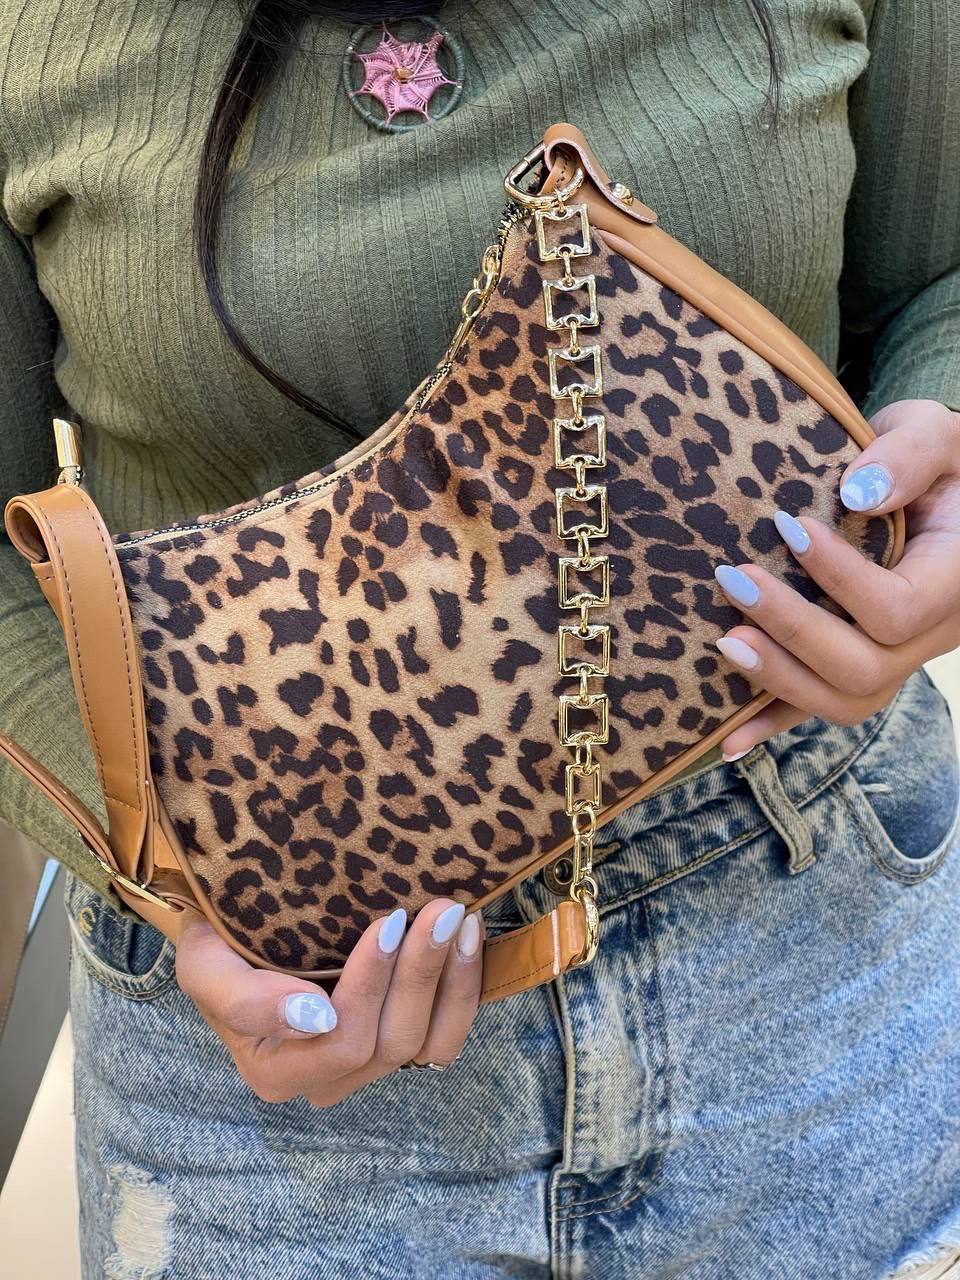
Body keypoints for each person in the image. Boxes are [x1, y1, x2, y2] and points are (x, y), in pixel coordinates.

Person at [1, 2, 959, 1275]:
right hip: (276, 1034)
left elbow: (942, 271)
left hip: (814, 936)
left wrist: (941, 456)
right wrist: (171, 862)